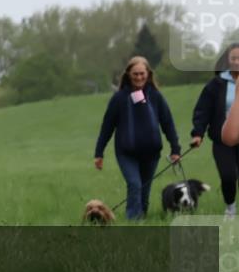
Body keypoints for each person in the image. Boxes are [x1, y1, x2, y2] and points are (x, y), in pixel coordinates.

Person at [95, 56, 182, 220]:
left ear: (148, 74)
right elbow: (107, 127)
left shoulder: (155, 96)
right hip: (126, 153)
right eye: (135, 74)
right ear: (128, 74)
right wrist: (99, 153)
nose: (139, 77)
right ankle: (133, 222)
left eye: (142, 73)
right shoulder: (119, 99)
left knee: (144, 191)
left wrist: (175, 149)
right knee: (135, 185)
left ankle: (142, 220)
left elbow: (168, 123)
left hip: (151, 153)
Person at [192, 43, 239, 218]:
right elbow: (203, 110)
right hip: (223, 140)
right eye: (233, 58)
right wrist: (198, 133)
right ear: (228, 60)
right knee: (228, 176)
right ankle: (230, 208)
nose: (237, 62)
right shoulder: (217, 84)